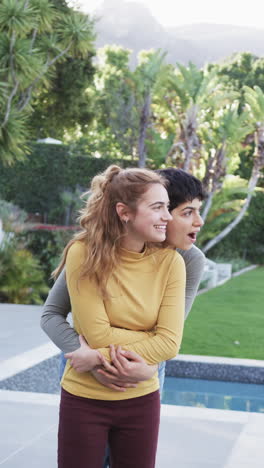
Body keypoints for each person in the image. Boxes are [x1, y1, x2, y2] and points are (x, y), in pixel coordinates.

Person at [52, 165, 187, 468]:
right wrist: (144, 344)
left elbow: (169, 343)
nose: (168, 216)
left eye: (167, 207)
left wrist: (95, 356)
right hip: (84, 399)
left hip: (142, 400)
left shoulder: (172, 263)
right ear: (124, 212)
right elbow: (98, 334)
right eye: (158, 207)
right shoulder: (82, 253)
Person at [41, 168, 205, 396]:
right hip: (83, 361)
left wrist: (147, 370)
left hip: (145, 364)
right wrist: (88, 359)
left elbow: (167, 338)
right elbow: (51, 314)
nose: (199, 221)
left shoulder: (189, 260)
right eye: (187, 212)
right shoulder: (94, 250)